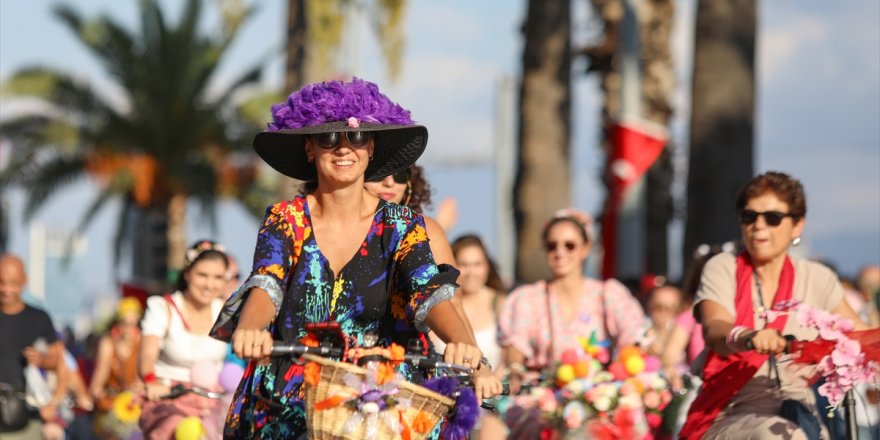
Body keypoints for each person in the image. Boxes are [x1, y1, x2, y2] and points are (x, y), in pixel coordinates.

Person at [209, 78, 501, 438]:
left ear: (372, 146)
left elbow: (428, 293)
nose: (344, 148)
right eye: (328, 137)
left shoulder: (402, 225)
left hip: (381, 401)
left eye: (357, 137)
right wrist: (251, 329)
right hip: (291, 401)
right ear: (309, 149)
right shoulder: (285, 219)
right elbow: (267, 283)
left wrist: (463, 344)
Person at [680, 171, 871, 440]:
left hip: (804, 410)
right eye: (749, 217)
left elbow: (861, 337)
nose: (758, 226)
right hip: (732, 410)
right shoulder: (722, 267)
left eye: (772, 218)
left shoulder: (817, 277)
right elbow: (715, 327)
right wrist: (747, 336)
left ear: (797, 225)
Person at [499, 208, 647, 385]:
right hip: (541, 395)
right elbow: (515, 349)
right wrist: (516, 371)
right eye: (552, 246)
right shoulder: (528, 298)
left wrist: (621, 371)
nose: (560, 253)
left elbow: (632, 334)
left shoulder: (608, 294)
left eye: (569, 245)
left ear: (585, 248)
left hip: (598, 395)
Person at [138, 240, 230, 439]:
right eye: (202, 275)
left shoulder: (226, 311)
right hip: (169, 398)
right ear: (187, 274)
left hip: (213, 401)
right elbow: (147, 354)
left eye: (218, 277)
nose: (209, 284)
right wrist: (151, 381)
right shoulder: (163, 307)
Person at [0, 254, 69, 439]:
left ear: (24, 281)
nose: (6, 289)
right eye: (1, 282)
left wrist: (42, 359)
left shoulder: (39, 318)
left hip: (27, 420)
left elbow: (60, 364)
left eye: (13, 283)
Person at [90, 297, 144, 439]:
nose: (129, 328)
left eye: (133, 324)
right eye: (125, 323)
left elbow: (142, 377)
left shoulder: (142, 343)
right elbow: (99, 378)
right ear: (118, 323)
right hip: (112, 406)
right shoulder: (108, 343)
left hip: (134, 406)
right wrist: (97, 392)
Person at [643, 283, 683, 358]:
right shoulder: (639, 327)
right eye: (658, 306)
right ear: (649, 305)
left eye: (670, 308)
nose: (663, 312)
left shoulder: (684, 330)